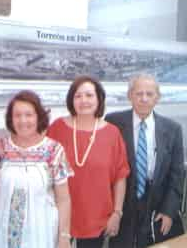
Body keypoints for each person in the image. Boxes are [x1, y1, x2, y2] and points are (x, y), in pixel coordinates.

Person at [46, 75, 130, 248]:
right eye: (78, 96)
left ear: (99, 99)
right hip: (59, 217)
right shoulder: (57, 128)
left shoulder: (112, 133)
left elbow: (120, 177)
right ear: (71, 100)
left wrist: (117, 213)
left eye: (89, 95)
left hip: (97, 219)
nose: (84, 100)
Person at [105, 73, 185, 248]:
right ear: (130, 96)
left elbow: (177, 174)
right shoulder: (113, 123)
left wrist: (169, 210)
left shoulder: (172, 129)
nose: (144, 99)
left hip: (155, 202)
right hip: (122, 201)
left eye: (149, 94)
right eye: (138, 93)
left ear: (157, 97)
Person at [0, 90, 73, 248]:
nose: (23, 120)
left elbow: (63, 199)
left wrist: (64, 236)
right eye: (17, 115)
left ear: (38, 117)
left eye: (29, 115)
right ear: (10, 119)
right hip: (1, 232)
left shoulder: (54, 150)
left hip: (42, 232)